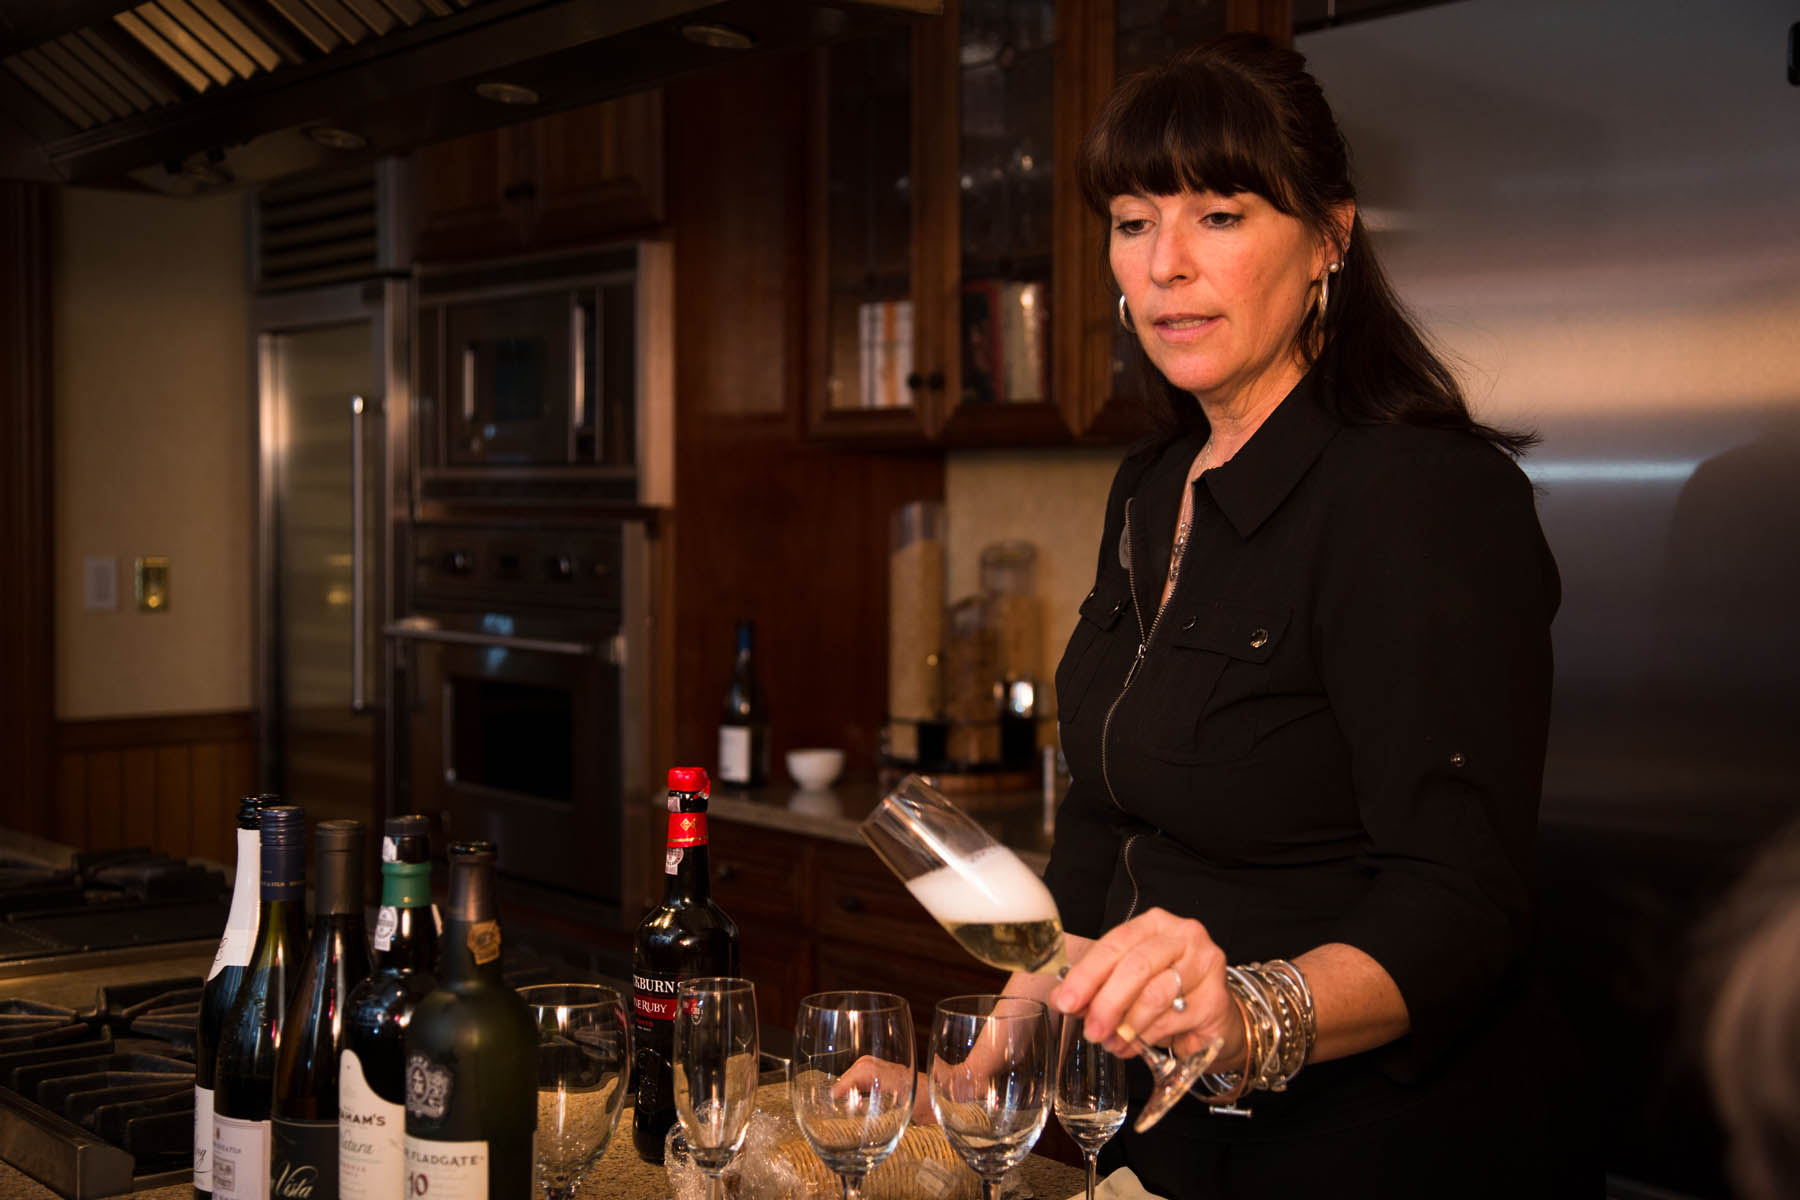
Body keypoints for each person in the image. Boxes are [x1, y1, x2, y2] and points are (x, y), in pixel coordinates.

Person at [991, 34, 1579, 1197]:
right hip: (1169, 1142)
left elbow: (1462, 900)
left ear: (1330, 238)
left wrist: (1247, 1013)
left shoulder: (1422, 496)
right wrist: (989, 1054)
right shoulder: (1154, 485)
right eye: (1131, 219)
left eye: (1219, 215)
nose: (1164, 265)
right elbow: (1105, 831)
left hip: (1378, 1151)